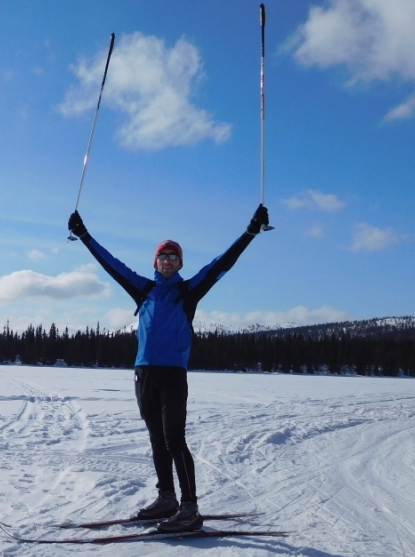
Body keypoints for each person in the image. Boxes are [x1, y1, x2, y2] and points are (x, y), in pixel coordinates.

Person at [67, 204, 269, 532]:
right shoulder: (143, 289)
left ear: (180, 264)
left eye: (174, 257)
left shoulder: (188, 292)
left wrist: (249, 232)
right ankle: (167, 498)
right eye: (164, 256)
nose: (169, 261)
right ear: (156, 262)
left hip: (174, 373)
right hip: (144, 372)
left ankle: (189, 507)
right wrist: (85, 235)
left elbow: (222, 264)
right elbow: (111, 265)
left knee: (175, 438)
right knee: (156, 439)